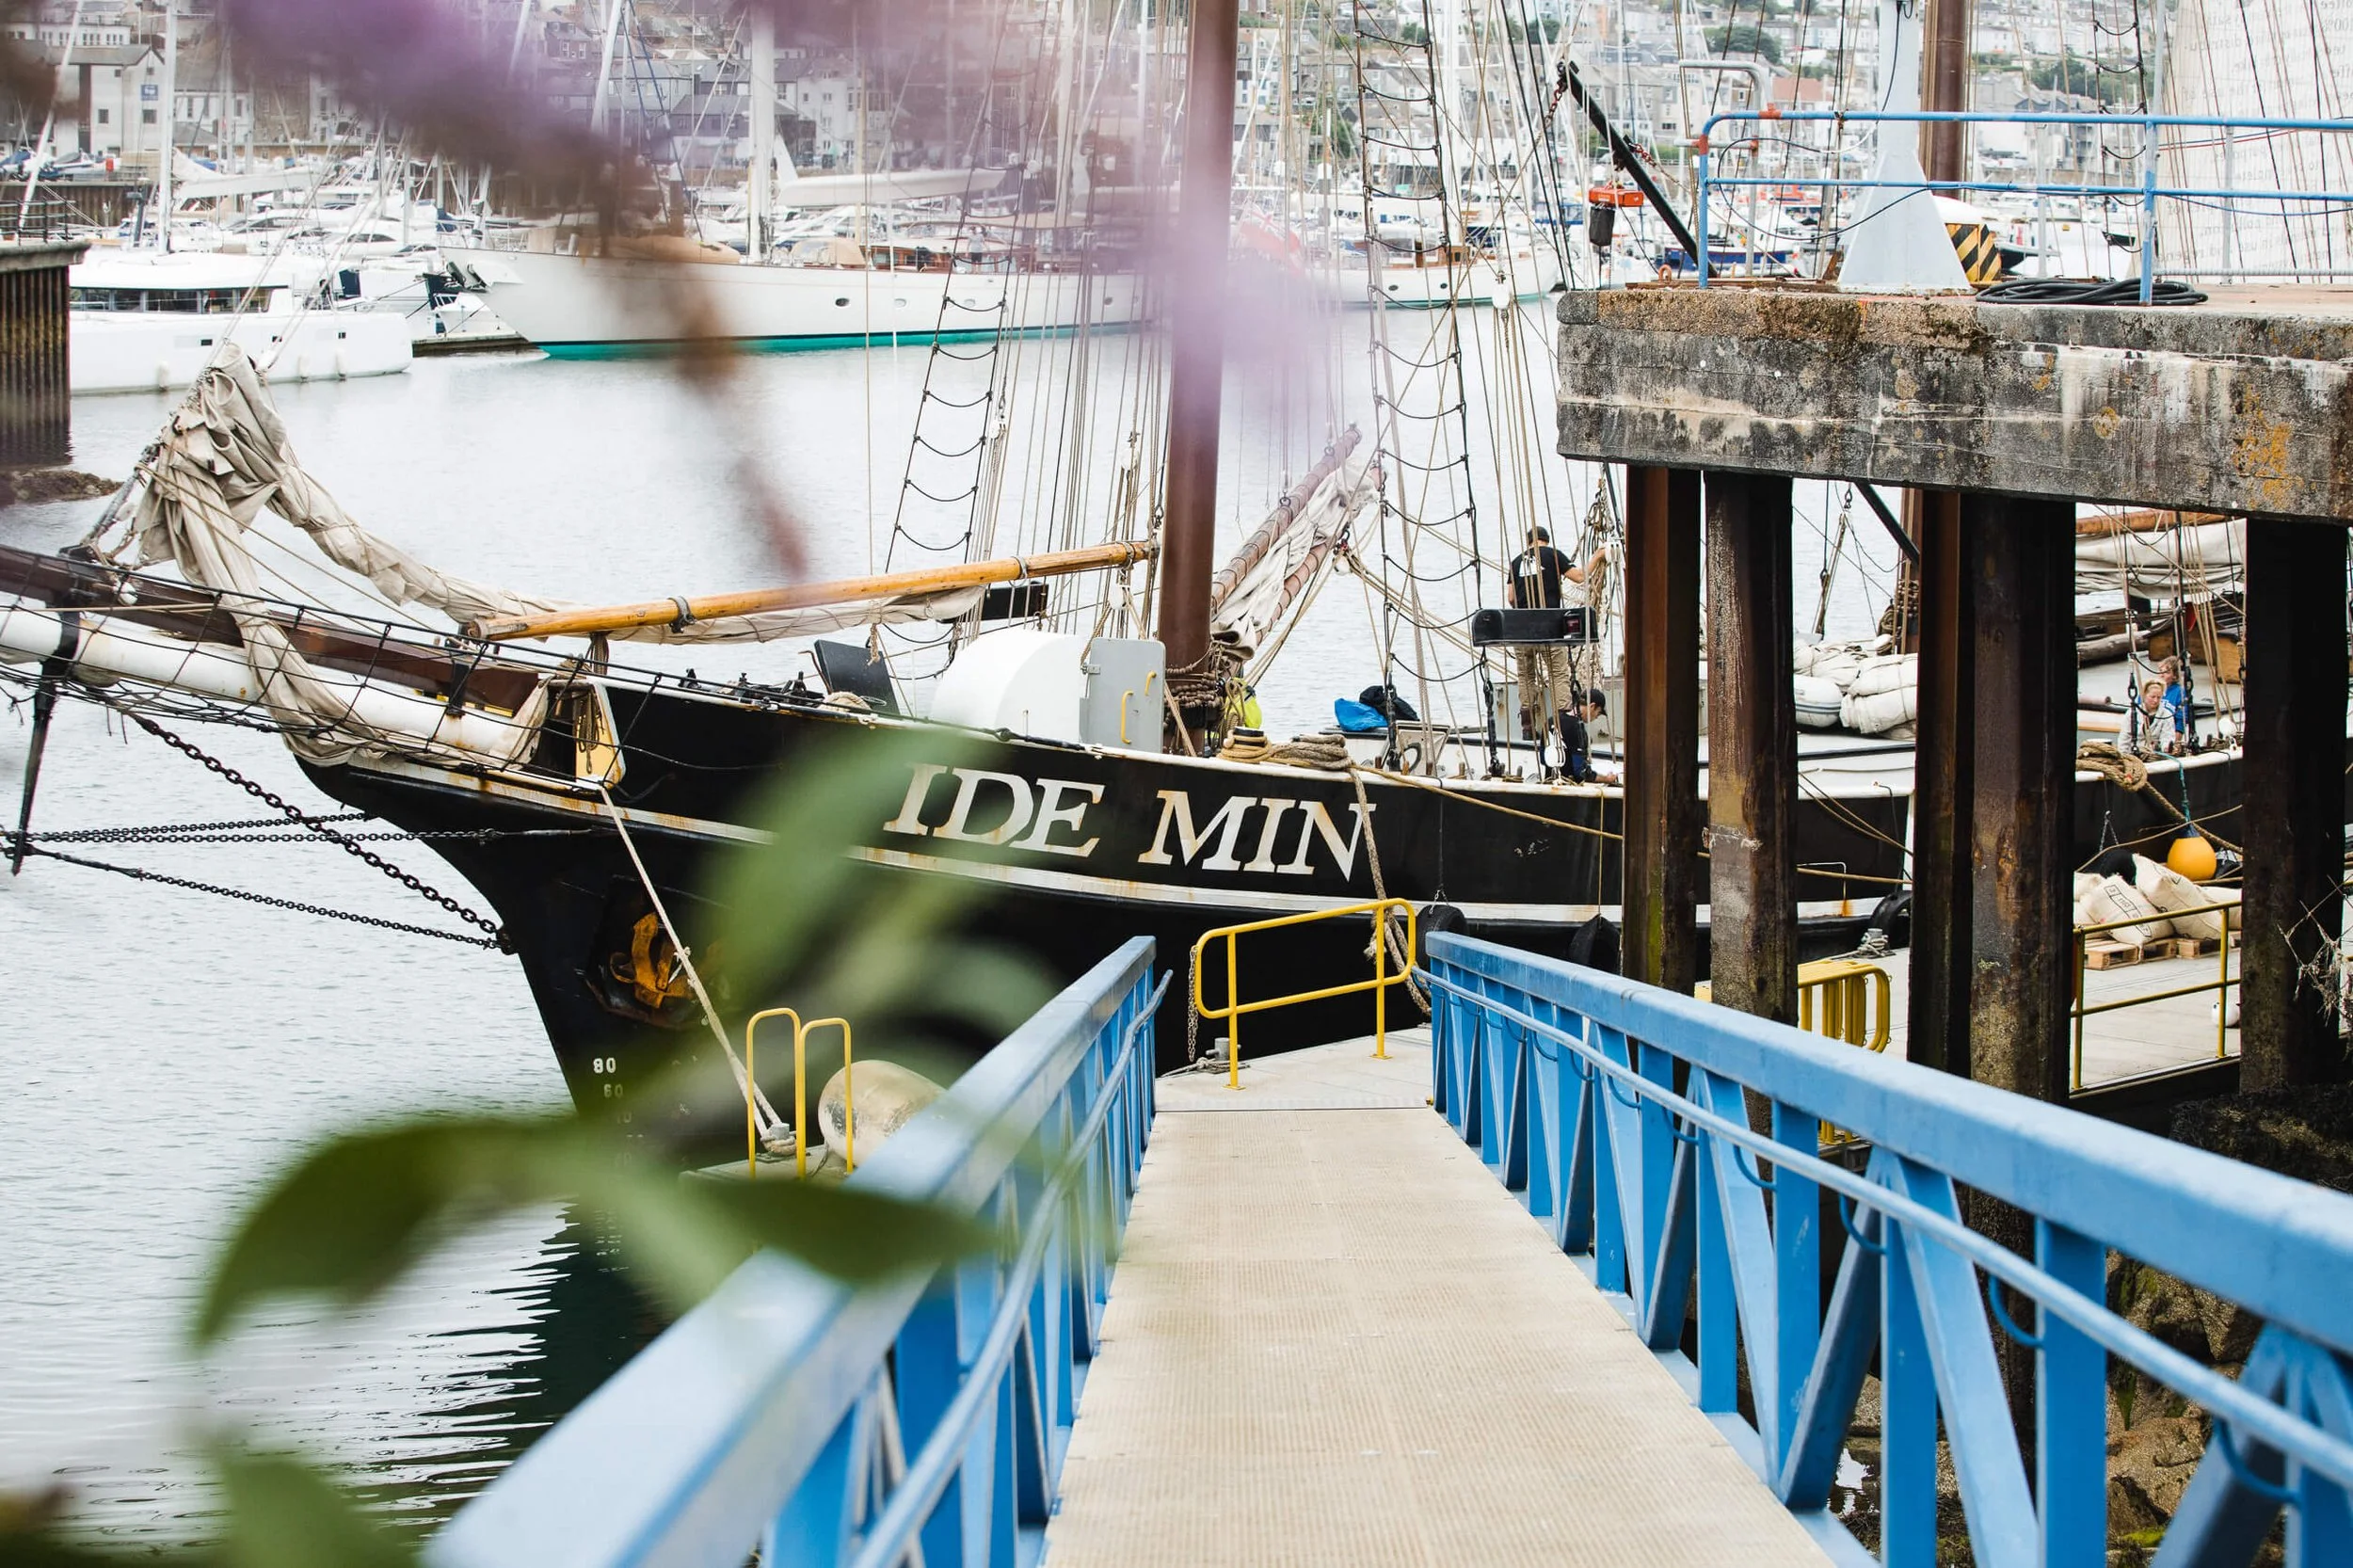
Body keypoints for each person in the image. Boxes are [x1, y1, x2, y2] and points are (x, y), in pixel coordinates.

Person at [1505, 527, 1608, 764]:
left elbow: (1511, 597)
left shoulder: (1516, 562)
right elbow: (1580, 577)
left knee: (1526, 674)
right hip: (1548, 625)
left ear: (1529, 542)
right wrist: (1598, 556)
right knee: (1558, 673)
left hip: (1521, 626)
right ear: (1545, 540)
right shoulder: (1553, 555)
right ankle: (1563, 718)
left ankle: (1527, 725)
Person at [1560, 688, 1612, 783]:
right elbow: (1580, 772)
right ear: (1592, 706)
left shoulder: (1551, 721)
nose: (1596, 717)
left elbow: (1543, 759)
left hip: (1550, 782)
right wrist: (1607, 779)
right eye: (1598, 713)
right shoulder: (1577, 728)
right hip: (1569, 786)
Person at [2136, 679, 2180, 759]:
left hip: (2156, 756)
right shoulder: (2133, 713)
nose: (2155, 700)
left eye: (2159, 697)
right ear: (2144, 695)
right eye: (2152, 697)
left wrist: (2166, 747)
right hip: (2135, 754)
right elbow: (2125, 738)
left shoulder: (2167, 715)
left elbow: (2167, 737)